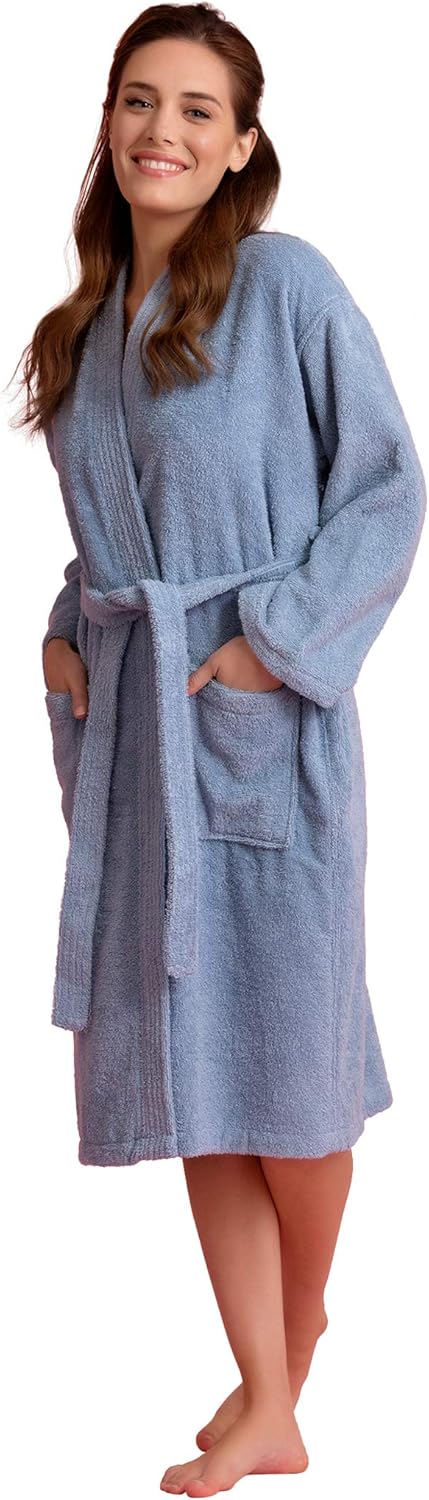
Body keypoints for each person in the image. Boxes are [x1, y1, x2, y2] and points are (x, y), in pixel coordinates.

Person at [12, 4, 426, 1493]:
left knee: (294, 1077)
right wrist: (64, 635)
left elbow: (386, 491)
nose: (162, 130)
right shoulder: (79, 333)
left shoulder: (285, 285)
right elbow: (109, 547)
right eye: (140, 99)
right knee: (201, 1076)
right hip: (139, 736)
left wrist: (272, 646)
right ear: (107, 122)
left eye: (197, 109)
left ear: (243, 144)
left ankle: (290, 1351)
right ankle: (265, 1398)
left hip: (266, 735)